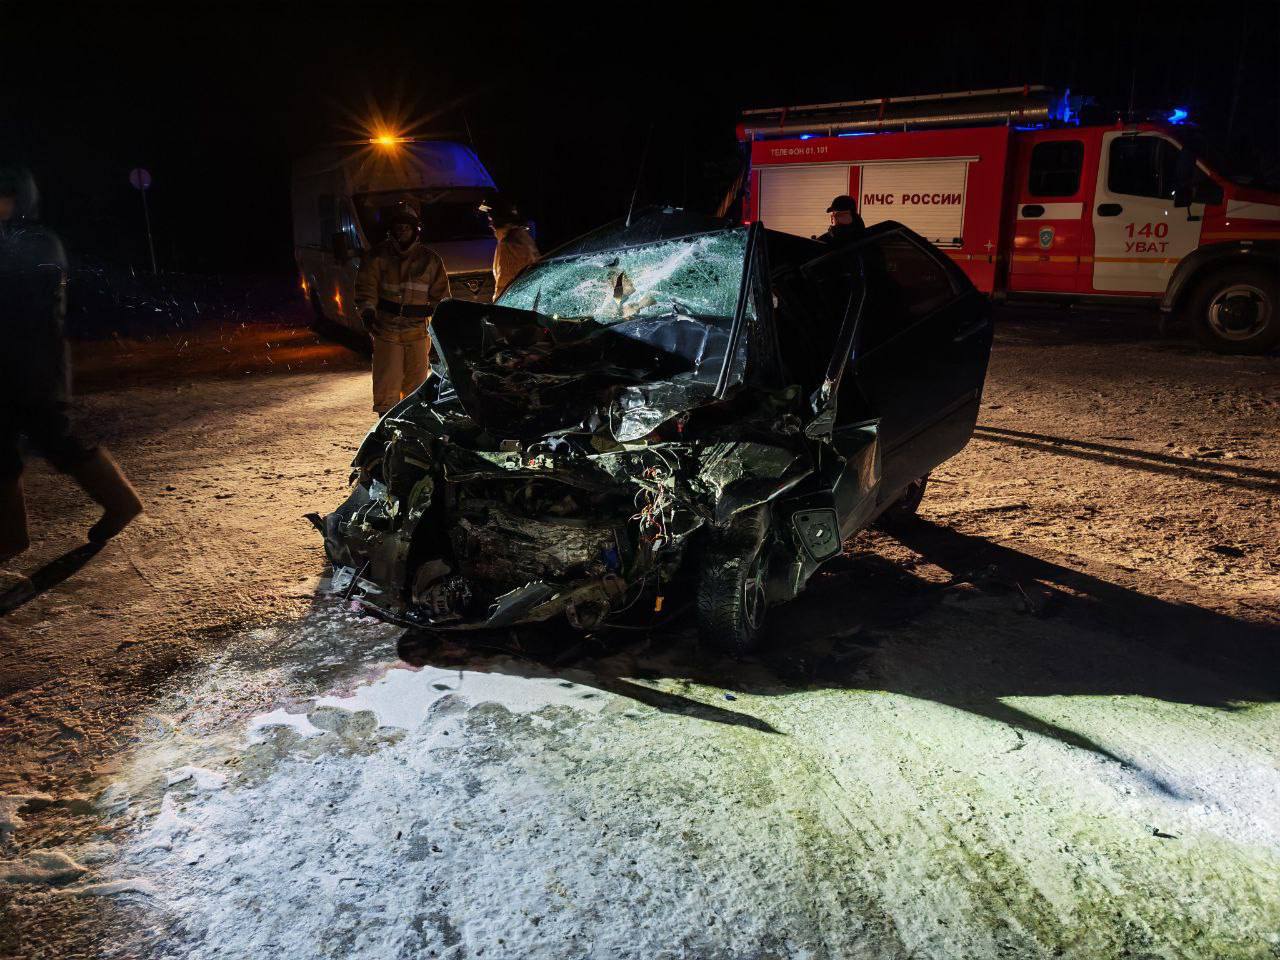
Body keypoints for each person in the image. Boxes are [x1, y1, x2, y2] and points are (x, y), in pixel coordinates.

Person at [0, 164, 143, 563]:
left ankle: (120, 501)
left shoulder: (32, 244)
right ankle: (10, 535)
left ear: (17, 200)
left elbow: (28, 310)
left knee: (54, 438)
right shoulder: (23, 241)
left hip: (29, 362)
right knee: (16, 446)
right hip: (20, 362)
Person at [354, 202, 451, 415]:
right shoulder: (376, 257)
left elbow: (441, 300)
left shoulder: (430, 260)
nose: (402, 230)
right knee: (387, 384)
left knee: (416, 385)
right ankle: (385, 423)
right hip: (386, 330)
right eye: (398, 226)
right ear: (391, 228)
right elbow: (365, 288)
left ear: (416, 229)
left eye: (407, 226)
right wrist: (368, 312)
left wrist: (441, 332)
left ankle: (412, 422)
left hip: (417, 332)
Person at [479, 194, 539, 301]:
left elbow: (504, 285)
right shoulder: (520, 236)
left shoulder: (510, 244)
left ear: (498, 217)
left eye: (490, 217)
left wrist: (497, 307)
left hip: (517, 305)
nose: (490, 223)